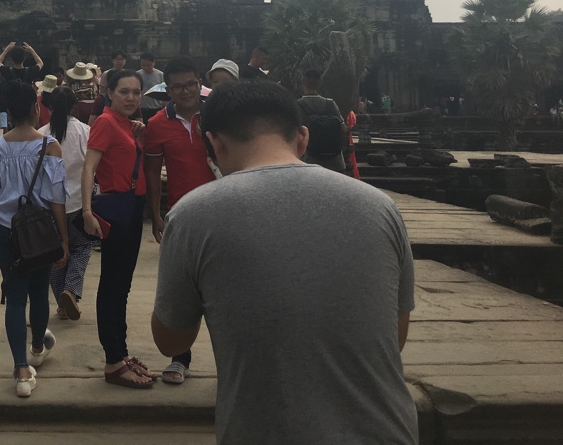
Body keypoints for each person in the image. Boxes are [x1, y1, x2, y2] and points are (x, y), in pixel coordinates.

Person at [151, 81, 417, 444]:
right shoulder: (380, 207)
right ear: (303, 138)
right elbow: (395, 336)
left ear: (214, 143)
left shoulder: (192, 216)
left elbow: (171, 340)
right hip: (388, 431)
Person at [0, 81, 68, 398]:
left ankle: (21, 371)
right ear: (36, 108)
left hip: (6, 231)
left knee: (16, 297)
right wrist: (64, 240)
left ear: (8, 110)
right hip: (40, 232)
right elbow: (57, 199)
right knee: (39, 292)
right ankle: (36, 348)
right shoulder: (50, 146)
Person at [80, 69, 158, 388]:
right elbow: (89, 167)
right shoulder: (105, 121)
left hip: (133, 208)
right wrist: (87, 211)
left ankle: (121, 353)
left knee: (122, 285)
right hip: (116, 208)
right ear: (109, 93)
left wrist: (140, 135)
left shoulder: (129, 124)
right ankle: (113, 361)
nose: (131, 98)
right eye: (124, 92)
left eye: (136, 92)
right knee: (112, 285)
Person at [143, 55, 216, 385]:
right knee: (180, 290)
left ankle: (230, 358)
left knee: (224, 290)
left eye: (190, 84)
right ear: (167, 90)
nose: (185, 91)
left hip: (222, 212)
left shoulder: (218, 115)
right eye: (177, 87)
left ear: (200, 83)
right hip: (180, 215)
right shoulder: (158, 124)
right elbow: (151, 172)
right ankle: (180, 357)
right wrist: (156, 214)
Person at [40, 86, 92, 321]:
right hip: (79, 202)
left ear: (49, 107)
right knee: (82, 247)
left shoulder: (41, 134)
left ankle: (62, 304)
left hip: (49, 204)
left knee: (55, 254)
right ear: (74, 106)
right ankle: (70, 290)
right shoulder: (84, 131)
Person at [297, 68, 349, 174]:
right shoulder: (330, 104)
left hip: (310, 160)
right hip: (335, 161)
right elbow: (343, 129)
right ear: (320, 83)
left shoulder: (297, 105)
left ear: (302, 82)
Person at [0, 42, 43, 133]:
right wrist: (31, 50)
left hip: (9, 106)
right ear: (24, 58)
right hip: (26, 106)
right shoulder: (30, 71)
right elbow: (40, 63)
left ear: (12, 58)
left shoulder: (7, 71)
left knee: (7, 132)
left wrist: (6, 50)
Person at [136, 54, 165, 122]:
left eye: (148, 65)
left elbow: (164, 91)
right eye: (143, 65)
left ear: (154, 62)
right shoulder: (137, 74)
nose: (146, 67)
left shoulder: (160, 75)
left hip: (155, 107)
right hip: (141, 107)